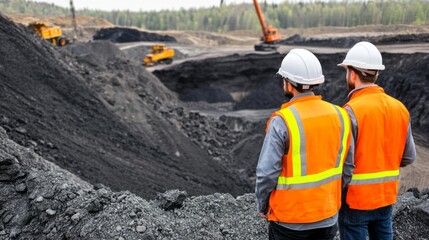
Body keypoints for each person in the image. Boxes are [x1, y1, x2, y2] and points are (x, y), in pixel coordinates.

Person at [255, 48, 353, 240]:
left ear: (289, 84)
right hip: (327, 217)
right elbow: (347, 167)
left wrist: (263, 205)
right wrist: (332, 199)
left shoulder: (283, 121)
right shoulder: (341, 115)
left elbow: (266, 173)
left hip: (290, 221)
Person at [337, 41, 416, 240]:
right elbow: (408, 157)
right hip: (385, 198)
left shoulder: (350, 111)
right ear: (376, 74)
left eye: (347, 71)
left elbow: (345, 165)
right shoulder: (400, 108)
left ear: (353, 74)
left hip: (356, 202)